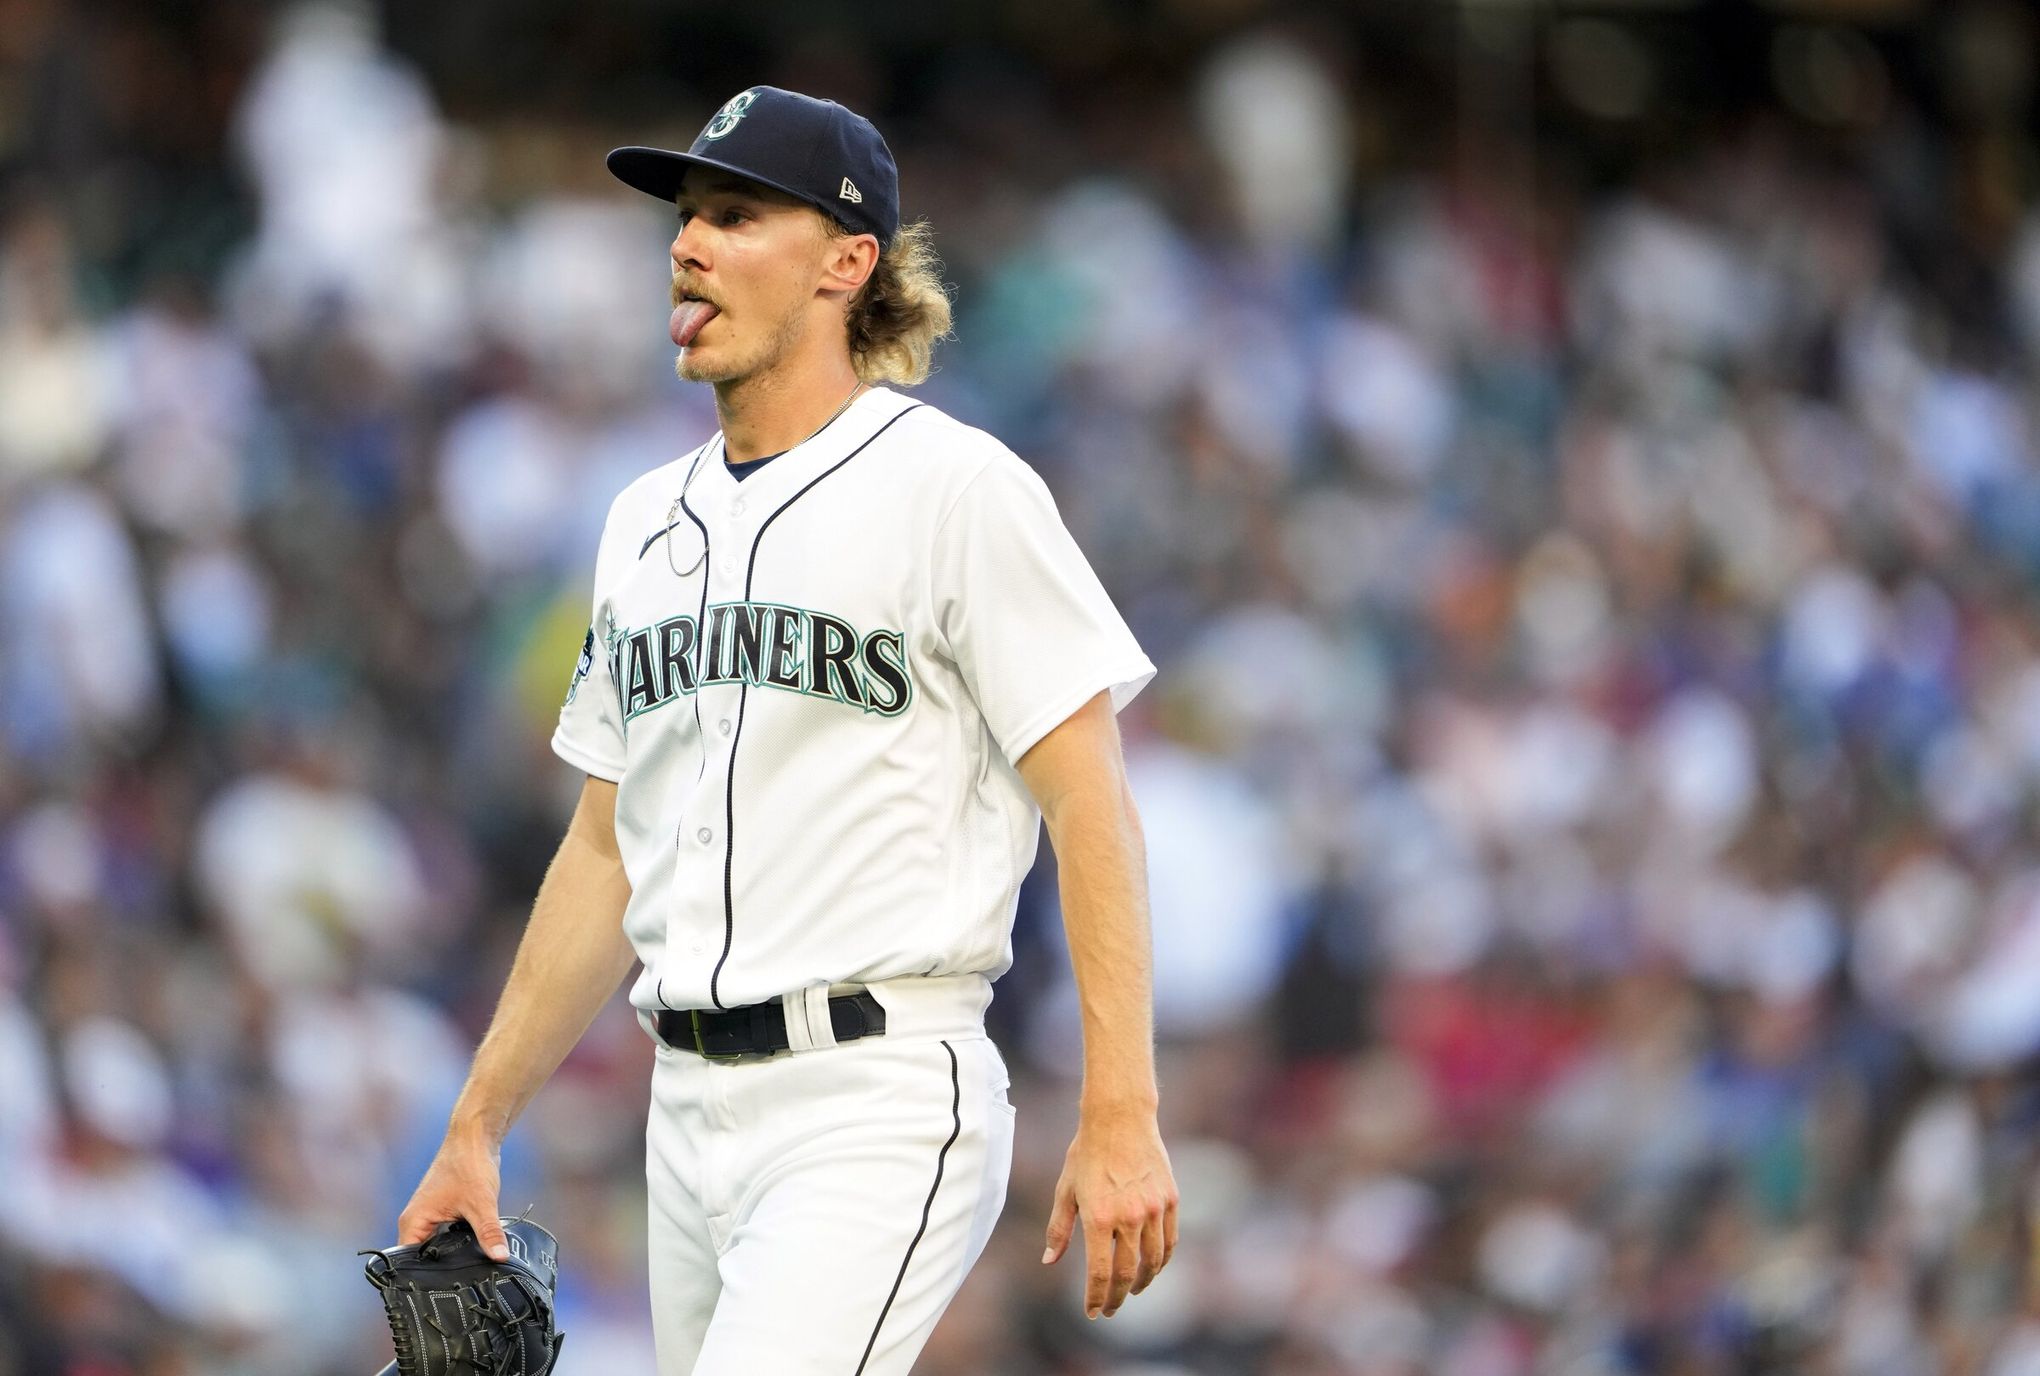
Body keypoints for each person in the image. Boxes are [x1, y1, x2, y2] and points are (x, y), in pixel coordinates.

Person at [395, 85, 1178, 1374]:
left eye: (738, 215)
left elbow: (1091, 803)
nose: (687, 244)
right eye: (688, 216)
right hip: (684, 1106)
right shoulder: (641, 522)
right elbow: (606, 847)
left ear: (846, 262)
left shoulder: (956, 488)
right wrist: (478, 1123)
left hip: (872, 1091)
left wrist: (1124, 1109)